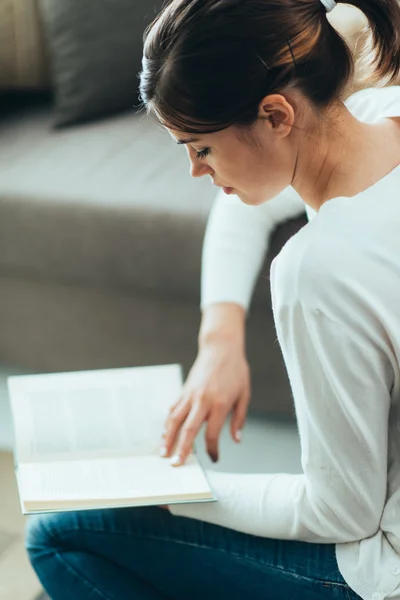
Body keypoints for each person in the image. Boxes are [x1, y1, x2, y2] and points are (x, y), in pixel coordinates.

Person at [25, 0, 400, 598]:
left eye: (200, 148)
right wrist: (220, 339)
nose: (196, 172)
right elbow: (244, 200)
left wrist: (172, 488)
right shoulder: (384, 116)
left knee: (60, 536)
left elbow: (342, 515)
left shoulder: (319, 271)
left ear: (276, 114)